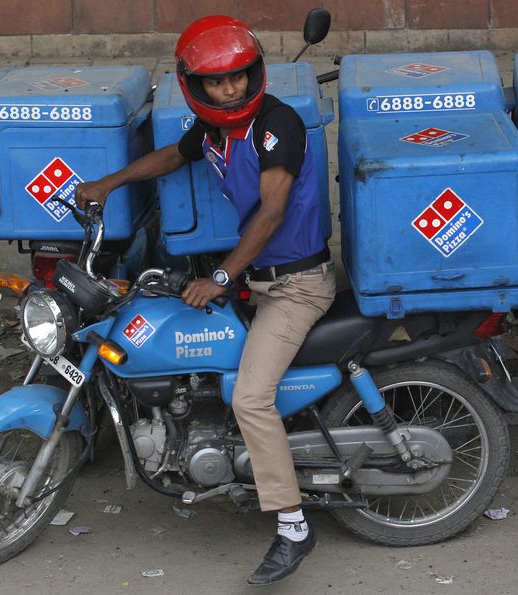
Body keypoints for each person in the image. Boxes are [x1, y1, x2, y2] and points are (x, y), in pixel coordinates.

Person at [75, 15, 335, 586]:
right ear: (195, 86)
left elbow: (272, 211)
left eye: (239, 78)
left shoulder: (277, 125)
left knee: (251, 397)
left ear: (254, 74)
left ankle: (294, 526)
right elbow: (171, 156)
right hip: (258, 280)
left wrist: (219, 275)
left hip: (296, 285)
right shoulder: (215, 131)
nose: (231, 90)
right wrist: (108, 184)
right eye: (217, 83)